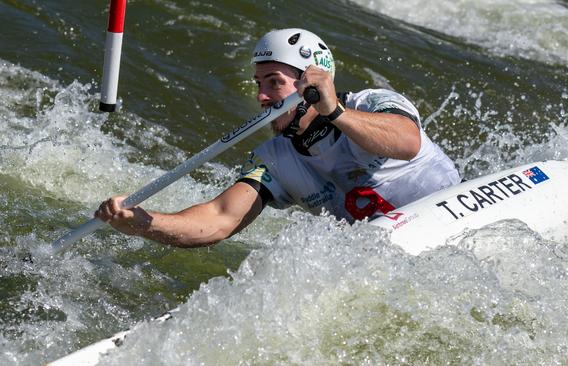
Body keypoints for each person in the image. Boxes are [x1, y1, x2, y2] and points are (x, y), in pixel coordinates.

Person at [95, 28, 461, 247]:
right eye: (259, 84)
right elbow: (220, 219)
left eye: (274, 83)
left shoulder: (374, 102)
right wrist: (145, 223)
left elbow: (406, 142)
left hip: (458, 217)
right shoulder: (272, 158)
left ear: (312, 81)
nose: (262, 96)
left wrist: (335, 111)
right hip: (387, 253)